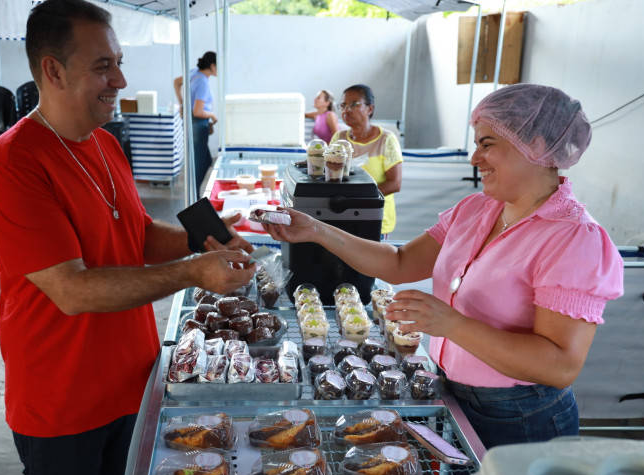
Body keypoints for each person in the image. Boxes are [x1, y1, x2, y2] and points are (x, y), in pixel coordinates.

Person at [0, 1, 255, 475]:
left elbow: (137, 234)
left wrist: (203, 235)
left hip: (134, 383)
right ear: (52, 70)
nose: (120, 80)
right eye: (103, 67)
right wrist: (193, 272)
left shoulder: (103, 143)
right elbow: (72, 289)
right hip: (63, 403)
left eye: (119, 63)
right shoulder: (13, 163)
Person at [264, 84, 624, 450]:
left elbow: (559, 366)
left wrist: (450, 324)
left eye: (487, 145)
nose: (474, 158)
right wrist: (317, 230)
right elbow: (399, 263)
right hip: (451, 393)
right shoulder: (478, 209)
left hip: (521, 417)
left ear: (534, 145)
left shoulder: (573, 238)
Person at [330, 84, 402, 237]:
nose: (346, 110)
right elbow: (329, 173)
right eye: (343, 105)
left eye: (354, 104)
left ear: (370, 109)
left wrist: (357, 199)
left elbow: (395, 184)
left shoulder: (386, 140)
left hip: (375, 218)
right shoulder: (339, 139)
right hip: (342, 215)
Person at [173, 51, 218, 194]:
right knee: (198, 166)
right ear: (212, 66)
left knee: (205, 161)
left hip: (192, 124)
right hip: (198, 125)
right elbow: (198, 111)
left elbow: (176, 82)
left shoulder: (194, 73)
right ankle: (194, 198)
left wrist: (182, 104)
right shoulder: (203, 82)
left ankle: (195, 196)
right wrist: (212, 115)